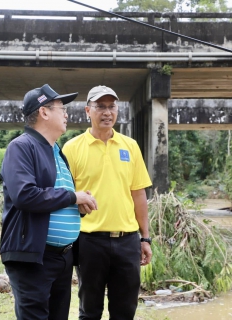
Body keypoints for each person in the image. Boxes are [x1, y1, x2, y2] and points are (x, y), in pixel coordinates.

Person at [0, 84, 97, 320]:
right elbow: (25, 195)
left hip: (62, 257)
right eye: (61, 108)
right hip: (34, 255)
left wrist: (78, 207)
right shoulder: (21, 147)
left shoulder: (57, 152)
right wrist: (74, 197)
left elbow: (57, 198)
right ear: (44, 112)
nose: (66, 114)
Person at [62, 85, 153, 320]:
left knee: (125, 311)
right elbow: (63, 195)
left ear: (118, 110)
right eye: (100, 106)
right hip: (89, 241)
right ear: (87, 111)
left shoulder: (130, 146)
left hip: (127, 241)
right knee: (90, 310)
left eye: (111, 106)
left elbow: (138, 194)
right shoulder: (72, 148)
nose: (107, 112)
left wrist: (145, 237)